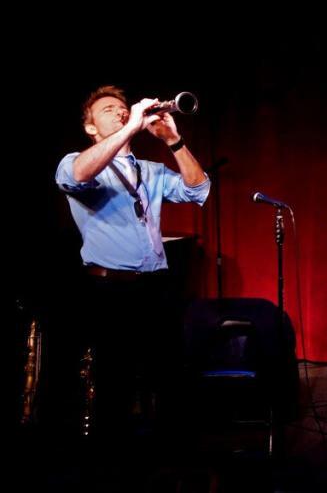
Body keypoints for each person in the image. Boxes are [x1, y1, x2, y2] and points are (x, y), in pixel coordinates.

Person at [54, 85, 210, 444]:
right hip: (110, 290)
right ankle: (113, 466)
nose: (120, 112)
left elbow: (198, 190)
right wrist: (130, 127)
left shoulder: (150, 171)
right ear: (91, 128)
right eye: (108, 110)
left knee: (169, 377)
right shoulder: (75, 160)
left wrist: (174, 141)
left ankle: (168, 458)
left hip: (155, 286)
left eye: (123, 108)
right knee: (115, 382)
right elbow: (76, 176)